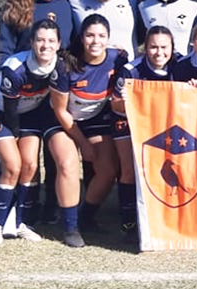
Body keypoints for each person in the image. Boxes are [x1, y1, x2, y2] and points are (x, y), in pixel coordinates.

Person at [0, 0, 74, 226]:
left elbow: (71, 49)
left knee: (54, 153)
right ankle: (23, 209)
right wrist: (12, 81)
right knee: (26, 159)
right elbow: (2, 51)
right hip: (24, 94)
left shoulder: (66, 6)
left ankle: (52, 207)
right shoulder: (18, 4)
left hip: (53, 92)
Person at [0, 19, 62, 245]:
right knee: (13, 165)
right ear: (32, 42)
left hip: (30, 112)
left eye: (51, 40)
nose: (46, 45)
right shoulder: (14, 68)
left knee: (31, 166)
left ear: (58, 44)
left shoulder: (59, 66)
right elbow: (11, 112)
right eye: (40, 40)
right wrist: (12, 141)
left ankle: (22, 224)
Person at [49, 14, 128, 247]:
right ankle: (70, 227)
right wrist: (83, 144)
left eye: (102, 36)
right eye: (90, 35)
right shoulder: (65, 65)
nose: (96, 41)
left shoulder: (118, 60)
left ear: (109, 38)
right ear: (81, 37)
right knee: (68, 164)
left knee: (108, 168)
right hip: (62, 121)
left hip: (95, 120)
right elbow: (61, 111)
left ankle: (86, 217)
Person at [111, 25, 179, 240]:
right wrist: (127, 101)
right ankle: (128, 222)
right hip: (129, 123)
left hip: (165, 124)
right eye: (153, 47)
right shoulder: (131, 70)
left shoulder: (180, 65)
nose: (159, 52)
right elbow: (116, 107)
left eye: (164, 47)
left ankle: (166, 218)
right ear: (145, 49)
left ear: (172, 48)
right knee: (130, 169)